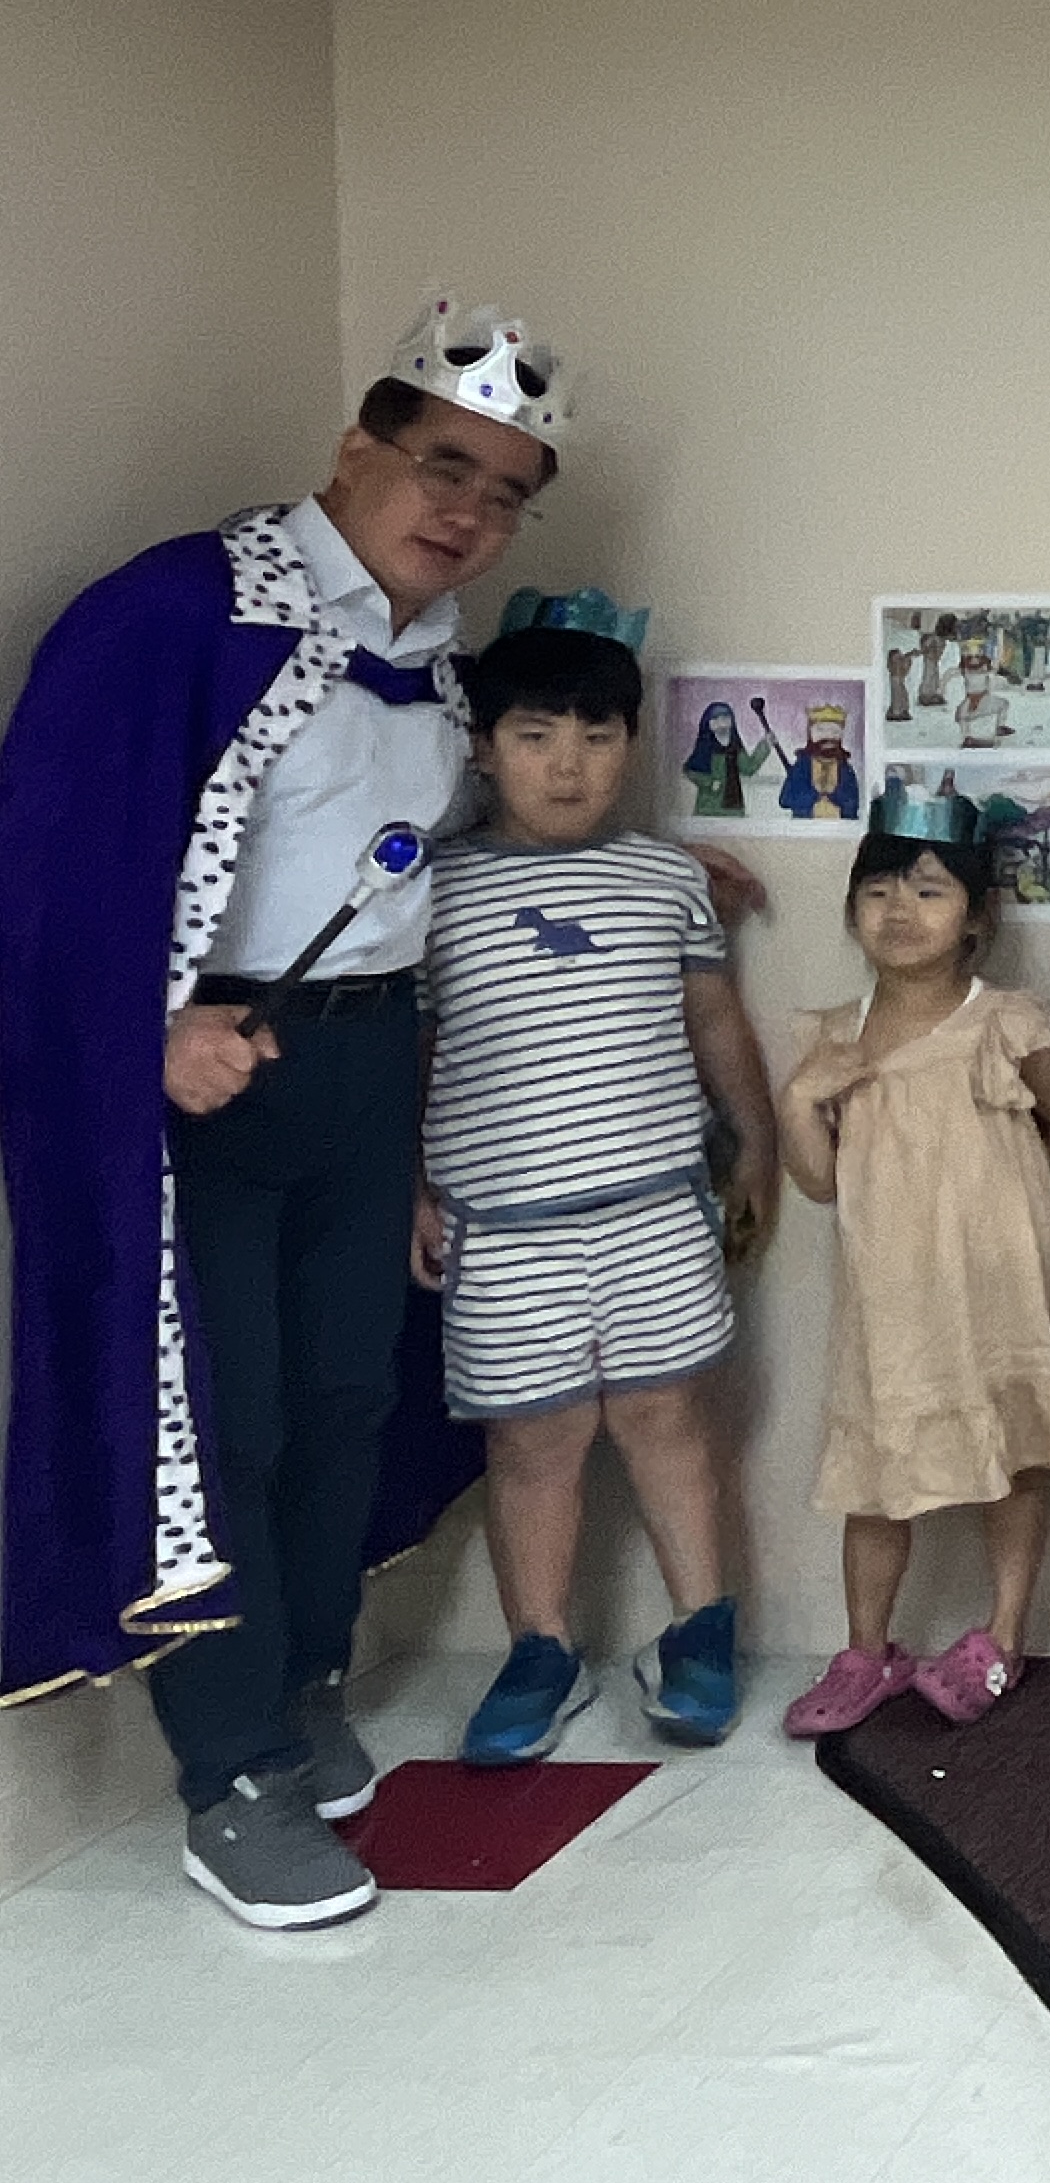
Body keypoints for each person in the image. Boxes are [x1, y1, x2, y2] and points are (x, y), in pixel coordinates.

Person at [0, 298, 598, 1928]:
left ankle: (303, 1675)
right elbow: (47, 865)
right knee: (226, 1420)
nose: (466, 511)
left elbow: (424, 864)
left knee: (348, 1392)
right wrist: (149, 1030)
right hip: (214, 1080)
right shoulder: (175, 612)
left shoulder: (439, 658)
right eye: (444, 465)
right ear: (357, 445)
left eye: (505, 492)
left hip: (369, 1064)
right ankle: (232, 1770)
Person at [413, 596, 780, 1766]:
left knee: (669, 1420)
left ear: (630, 745)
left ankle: (701, 1632)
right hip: (502, 1225)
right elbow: (414, 1055)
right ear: (483, 748)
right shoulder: (434, 891)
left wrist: (756, 1140)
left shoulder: (665, 879)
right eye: (534, 737)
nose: (568, 766)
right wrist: (410, 1185)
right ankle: (541, 1649)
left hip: (655, 1209)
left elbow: (714, 1020)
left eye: (597, 736)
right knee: (535, 1440)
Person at [776, 789, 1050, 1738]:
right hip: (889, 1296)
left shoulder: (1009, 1021)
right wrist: (799, 1103)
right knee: (878, 1472)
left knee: (1014, 1453)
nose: (900, 911)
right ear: (852, 907)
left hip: (1003, 1281)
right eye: (879, 891)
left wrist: (991, 1202)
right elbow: (817, 1182)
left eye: (929, 891)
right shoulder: (833, 1038)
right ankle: (865, 1649)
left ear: (976, 915)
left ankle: (1002, 1633)